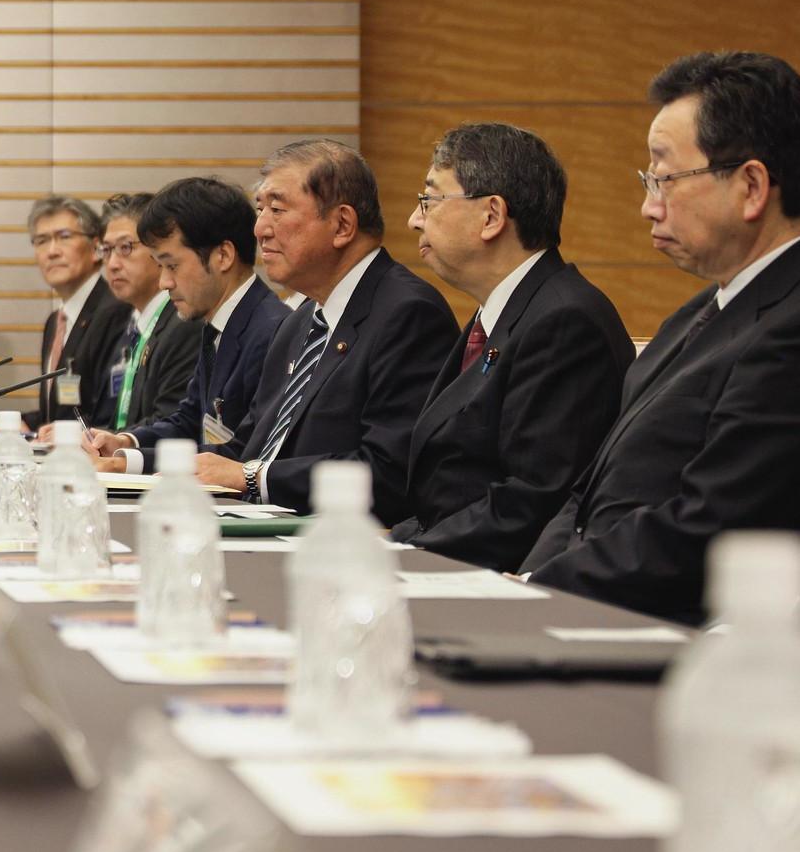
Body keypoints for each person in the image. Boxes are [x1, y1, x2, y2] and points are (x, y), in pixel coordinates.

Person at [523, 52, 800, 623]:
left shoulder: (788, 327)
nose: (648, 207)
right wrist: (530, 581)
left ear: (751, 186)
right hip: (589, 605)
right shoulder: (696, 313)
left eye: (664, 178)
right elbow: (588, 491)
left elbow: (711, 525)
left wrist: (541, 592)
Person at [389, 125, 633, 570]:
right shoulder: (499, 313)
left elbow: (530, 502)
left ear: (491, 216)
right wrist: (391, 540)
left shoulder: (563, 321)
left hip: (499, 580)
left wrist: (404, 555)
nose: (414, 219)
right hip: (451, 560)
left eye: (430, 199)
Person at [193, 140, 456, 520]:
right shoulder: (298, 323)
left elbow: (387, 470)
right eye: (260, 209)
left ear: (343, 225)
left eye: (278, 210)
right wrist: (133, 463)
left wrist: (254, 478)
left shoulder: (408, 313)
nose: (260, 228)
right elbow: (247, 449)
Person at [90, 177, 290, 472]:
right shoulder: (217, 324)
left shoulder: (272, 332)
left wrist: (126, 464)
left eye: (172, 266)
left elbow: (239, 454)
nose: (164, 282)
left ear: (223, 255)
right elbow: (189, 420)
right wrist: (126, 444)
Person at [91, 192, 204, 433]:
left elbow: (173, 420)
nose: (112, 264)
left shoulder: (184, 322)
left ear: (158, 251)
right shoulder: (130, 325)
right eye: (107, 250)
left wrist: (120, 443)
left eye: (125, 247)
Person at [23, 195, 130, 430]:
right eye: (41, 240)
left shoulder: (116, 311)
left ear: (96, 248)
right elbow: (56, 415)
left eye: (64, 237)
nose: (52, 251)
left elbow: (109, 414)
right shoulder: (55, 321)